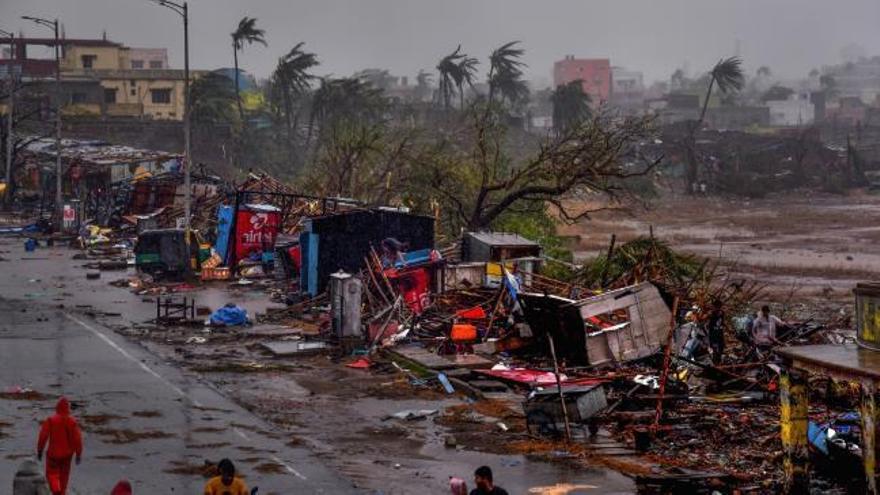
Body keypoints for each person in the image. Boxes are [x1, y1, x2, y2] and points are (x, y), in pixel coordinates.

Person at [37, 397, 83, 495]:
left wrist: (40, 450)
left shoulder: (51, 420)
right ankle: (61, 492)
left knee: (52, 474)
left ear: (57, 407)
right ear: (68, 408)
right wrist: (78, 454)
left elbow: (43, 436)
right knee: (64, 476)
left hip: (53, 454)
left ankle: (55, 491)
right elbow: (77, 439)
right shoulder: (72, 422)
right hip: (67, 455)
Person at [706, 300, 726, 364]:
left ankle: (717, 360)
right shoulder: (713, 313)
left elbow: (722, 322)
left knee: (719, 346)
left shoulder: (720, 313)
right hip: (715, 333)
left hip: (717, 332)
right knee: (716, 347)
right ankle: (716, 361)